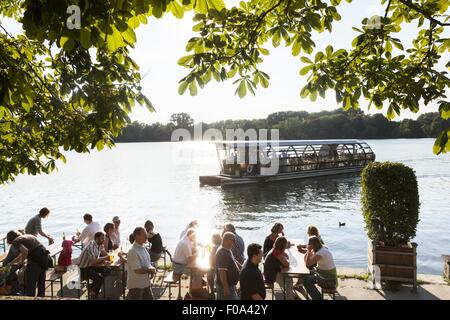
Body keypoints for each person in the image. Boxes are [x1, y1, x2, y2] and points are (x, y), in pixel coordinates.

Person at [3, 230, 53, 297]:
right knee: (41, 283)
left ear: (9, 239)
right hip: (45, 258)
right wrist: (11, 263)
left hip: (36, 260)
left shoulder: (16, 241)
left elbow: (25, 251)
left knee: (31, 283)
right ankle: (41, 297)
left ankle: (30, 297)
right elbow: (22, 254)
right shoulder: (26, 237)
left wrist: (21, 262)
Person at [77, 231, 110, 299]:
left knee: (108, 270)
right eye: (101, 239)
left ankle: (92, 286)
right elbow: (93, 261)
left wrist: (107, 258)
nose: (103, 240)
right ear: (96, 239)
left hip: (91, 266)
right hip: (83, 269)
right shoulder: (91, 246)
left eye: (103, 238)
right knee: (99, 279)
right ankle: (94, 293)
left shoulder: (99, 245)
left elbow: (102, 255)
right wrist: (105, 258)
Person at [126, 227, 156, 300]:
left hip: (145, 283)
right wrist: (149, 270)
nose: (146, 236)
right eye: (144, 234)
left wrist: (151, 268)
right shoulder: (132, 251)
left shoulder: (142, 247)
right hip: (136, 286)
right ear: (137, 236)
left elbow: (147, 263)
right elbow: (137, 270)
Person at [303, 236, 337, 300]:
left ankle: (318, 298)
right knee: (304, 275)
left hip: (329, 279)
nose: (308, 245)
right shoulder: (321, 249)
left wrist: (308, 251)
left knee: (306, 281)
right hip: (323, 274)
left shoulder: (321, 253)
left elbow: (308, 264)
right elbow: (307, 260)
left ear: (313, 244)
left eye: (309, 244)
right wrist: (308, 251)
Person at [215, 232, 240, 300]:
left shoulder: (227, 250)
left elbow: (234, 260)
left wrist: (243, 267)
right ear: (226, 240)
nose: (234, 242)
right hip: (226, 286)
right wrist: (226, 288)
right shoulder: (222, 253)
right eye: (233, 240)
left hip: (230, 285)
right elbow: (222, 272)